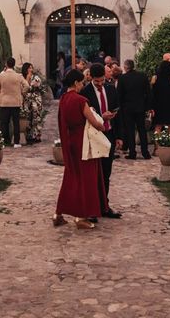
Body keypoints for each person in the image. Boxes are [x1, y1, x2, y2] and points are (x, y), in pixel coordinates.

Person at [53, 69, 108, 230]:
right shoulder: (80, 100)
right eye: (82, 82)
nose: (82, 85)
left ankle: (58, 214)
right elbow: (93, 121)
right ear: (76, 83)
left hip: (70, 141)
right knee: (87, 178)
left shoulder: (63, 99)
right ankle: (81, 216)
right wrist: (102, 125)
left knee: (71, 177)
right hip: (83, 143)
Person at [80, 63, 123, 219]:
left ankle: (104, 205)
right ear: (90, 77)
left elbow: (119, 113)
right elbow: (85, 115)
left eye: (102, 81)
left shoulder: (111, 90)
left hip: (109, 133)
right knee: (92, 173)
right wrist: (100, 116)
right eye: (97, 81)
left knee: (106, 172)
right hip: (93, 136)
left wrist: (119, 136)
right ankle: (91, 208)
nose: (100, 84)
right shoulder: (85, 92)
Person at [117, 59, 152, 160]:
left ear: (126, 67)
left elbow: (119, 95)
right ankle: (145, 153)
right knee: (142, 130)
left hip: (127, 108)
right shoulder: (142, 76)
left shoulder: (122, 78)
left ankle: (132, 152)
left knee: (130, 130)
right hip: (140, 107)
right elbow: (148, 93)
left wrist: (120, 108)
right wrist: (147, 107)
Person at [0, 57, 30, 148]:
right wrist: (22, 92)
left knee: (4, 123)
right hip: (15, 102)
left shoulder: (1, 75)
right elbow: (27, 85)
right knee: (16, 123)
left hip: (4, 102)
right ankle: (16, 142)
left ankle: (4, 141)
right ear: (14, 65)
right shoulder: (18, 76)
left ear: (6, 64)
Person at [151, 60, 170, 142]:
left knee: (158, 126)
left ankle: (157, 146)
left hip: (158, 106)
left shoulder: (156, 79)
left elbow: (152, 93)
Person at [21, 62, 43, 143]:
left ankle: (36, 136)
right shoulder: (22, 77)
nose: (31, 69)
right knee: (28, 117)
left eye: (31, 68)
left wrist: (28, 80)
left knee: (36, 117)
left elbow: (30, 87)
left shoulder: (36, 77)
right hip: (27, 100)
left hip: (35, 100)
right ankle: (28, 136)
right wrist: (27, 78)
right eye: (29, 68)